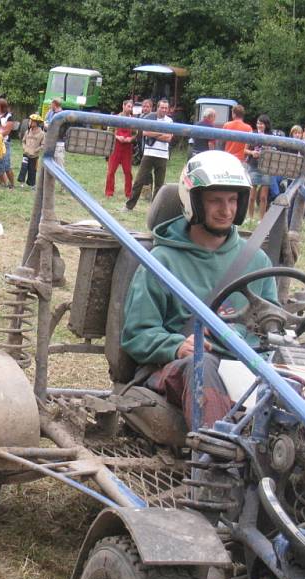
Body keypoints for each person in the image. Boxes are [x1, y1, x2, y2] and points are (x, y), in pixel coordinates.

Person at [121, 150, 277, 429]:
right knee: (202, 365)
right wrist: (176, 345)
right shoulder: (161, 262)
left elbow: (271, 330)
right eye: (215, 201)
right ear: (193, 202)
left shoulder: (258, 262)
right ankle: (213, 463)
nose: (226, 210)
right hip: (177, 367)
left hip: (242, 367)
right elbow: (137, 335)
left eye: (233, 200)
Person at [124, 99, 173, 212]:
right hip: (149, 153)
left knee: (159, 185)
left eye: (166, 108)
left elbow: (169, 138)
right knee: (139, 181)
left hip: (162, 156)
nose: (164, 110)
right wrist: (161, 132)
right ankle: (129, 206)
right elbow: (145, 133)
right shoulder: (150, 118)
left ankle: (154, 210)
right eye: (162, 107)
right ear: (158, 107)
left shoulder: (170, 121)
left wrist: (154, 133)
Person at [243, 114, 272, 221]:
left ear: (266, 125)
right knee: (251, 196)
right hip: (253, 165)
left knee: (263, 197)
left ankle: (262, 219)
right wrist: (252, 152)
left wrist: (267, 151)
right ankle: (249, 218)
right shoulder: (252, 134)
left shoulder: (271, 135)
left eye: (262, 123)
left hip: (266, 167)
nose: (259, 125)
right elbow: (244, 150)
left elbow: (274, 151)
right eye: (258, 123)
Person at [104, 99, 135, 201]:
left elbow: (136, 133)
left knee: (128, 172)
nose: (129, 108)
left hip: (127, 148)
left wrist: (131, 139)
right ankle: (109, 192)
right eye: (128, 106)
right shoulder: (116, 118)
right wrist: (117, 137)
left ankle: (129, 193)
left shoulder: (134, 120)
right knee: (111, 171)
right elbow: (110, 131)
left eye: (131, 107)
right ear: (123, 106)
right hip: (116, 147)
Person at [0, 98, 15, 189]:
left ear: (2, 106)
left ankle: (12, 184)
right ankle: (3, 183)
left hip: (5, 143)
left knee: (6, 165)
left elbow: (7, 130)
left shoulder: (9, 116)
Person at [18, 113, 45, 188]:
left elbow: (43, 145)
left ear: (37, 123)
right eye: (30, 121)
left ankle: (32, 184)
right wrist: (24, 147)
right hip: (26, 153)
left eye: (32, 121)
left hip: (34, 156)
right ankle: (21, 182)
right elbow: (23, 141)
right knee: (23, 168)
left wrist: (36, 150)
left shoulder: (42, 134)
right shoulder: (27, 132)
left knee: (32, 170)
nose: (30, 122)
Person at [44, 97, 65, 170]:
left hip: (58, 143)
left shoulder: (62, 115)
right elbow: (45, 121)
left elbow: (53, 128)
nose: (50, 105)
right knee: (48, 163)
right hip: (49, 141)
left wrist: (48, 126)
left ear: (54, 104)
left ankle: (62, 179)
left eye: (51, 104)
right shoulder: (50, 112)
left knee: (59, 164)